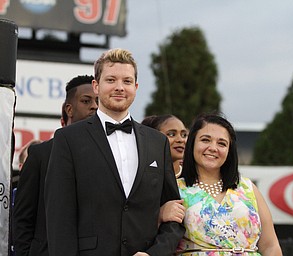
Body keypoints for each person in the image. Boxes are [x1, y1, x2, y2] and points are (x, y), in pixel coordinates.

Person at [44, 48, 185, 256]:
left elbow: (174, 216)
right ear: (96, 86)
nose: (119, 88)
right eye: (111, 80)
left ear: (136, 87)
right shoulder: (68, 139)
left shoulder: (158, 142)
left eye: (127, 81)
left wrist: (154, 254)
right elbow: (59, 217)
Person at [13, 75, 98, 256]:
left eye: (98, 101)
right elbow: (23, 218)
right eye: (86, 101)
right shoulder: (40, 155)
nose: (94, 106)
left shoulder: (110, 155)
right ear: (69, 109)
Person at [176, 112, 282, 255]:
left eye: (222, 143)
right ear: (192, 144)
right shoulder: (176, 189)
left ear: (229, 151)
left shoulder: (247, 187)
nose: (213, 148)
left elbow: (270, 245)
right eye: (205, 140)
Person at [142, 114, 187, 225]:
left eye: (184, 134)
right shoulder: (143, 179)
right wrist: (159, 215)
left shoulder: (193, 176)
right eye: (171, 134)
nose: (180, 140)